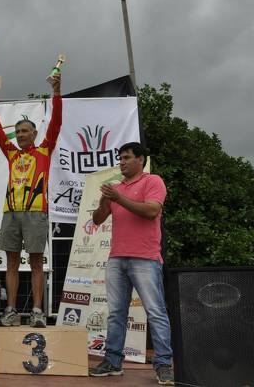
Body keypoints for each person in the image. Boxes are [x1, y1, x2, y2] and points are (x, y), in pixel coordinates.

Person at [89, 142, 174, 386]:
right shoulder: (116, 188)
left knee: (155, 312)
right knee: (116, 313)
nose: (122, 162)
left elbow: (151, 211)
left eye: (127, 157)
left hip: (145, 258)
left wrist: (119, 198)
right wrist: (105, 201)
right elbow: (97, 219)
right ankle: (113, 362)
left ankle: (163, 365)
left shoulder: (153, 181)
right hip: (117, 257)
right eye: (120, 158)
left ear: (141, 159)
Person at [0, 74, 62, 328]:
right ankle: (11, 311)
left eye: (25, 131)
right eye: (18, 132)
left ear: (34, 133)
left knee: (36, 262)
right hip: (11, 212)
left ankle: (37, 311)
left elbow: (56, 123)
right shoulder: (11, 153)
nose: (20, 135)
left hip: (36, 212)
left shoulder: (44, 150)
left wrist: (56, 93)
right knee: (11, 262)